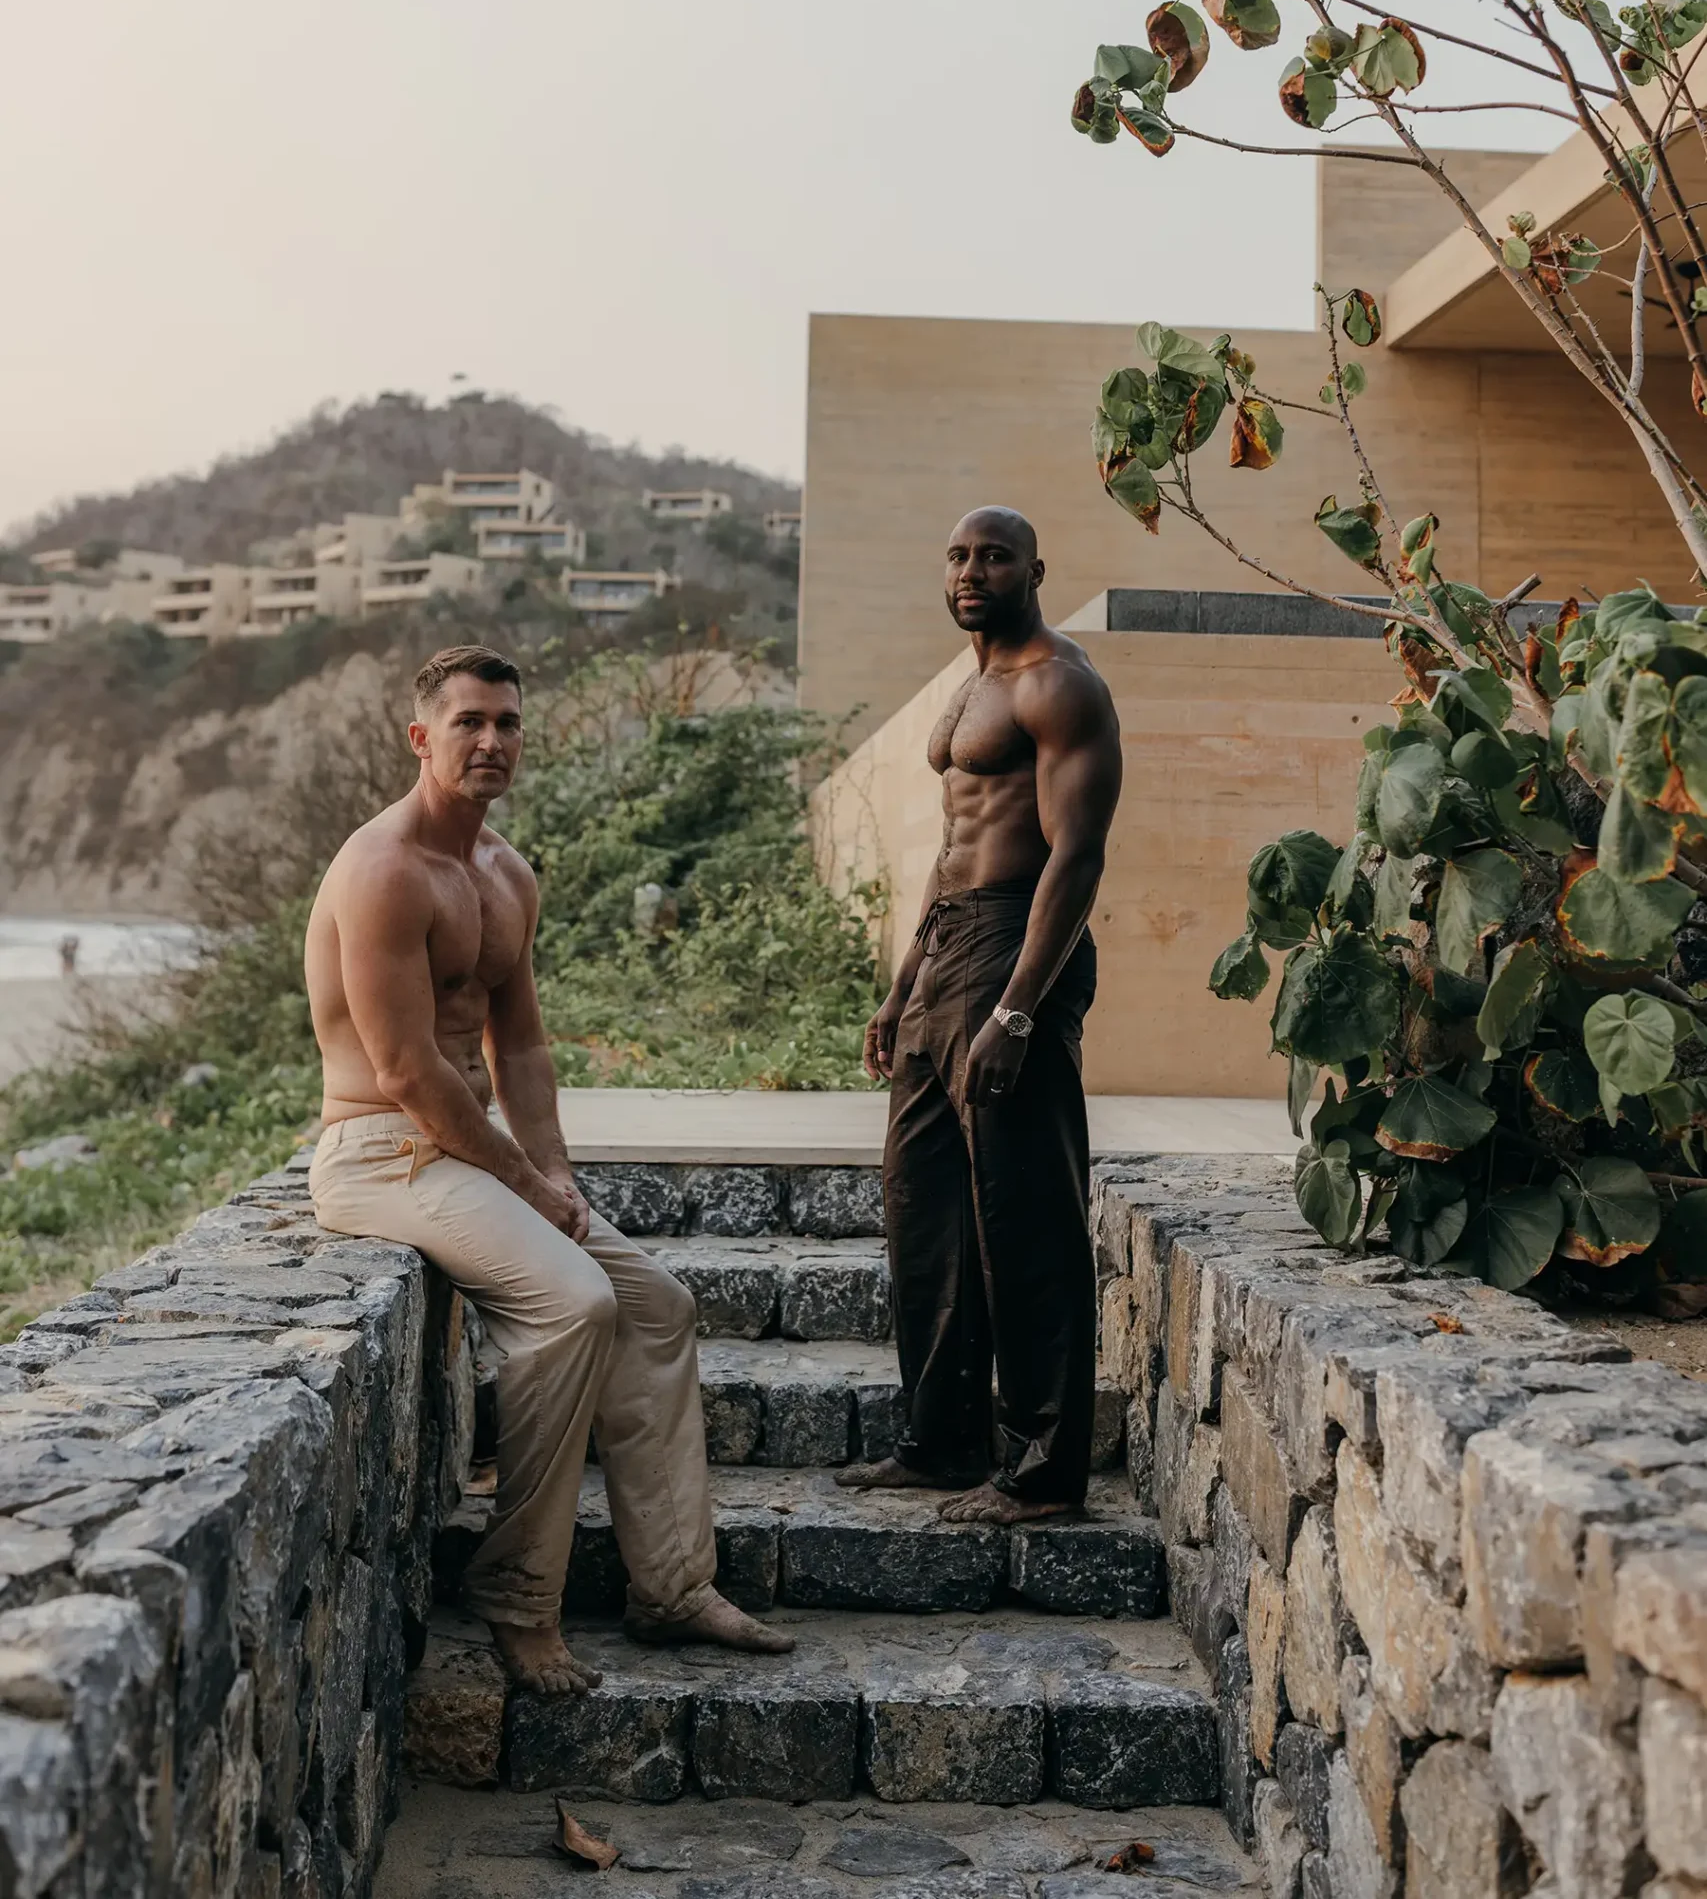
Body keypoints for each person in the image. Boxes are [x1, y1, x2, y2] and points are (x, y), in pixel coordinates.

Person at [304, 644, 793, 1693]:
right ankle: (519, 1596)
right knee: (574, 1305)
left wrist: (555, 1176)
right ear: (420, 735)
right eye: (469, 721)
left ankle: (671, 1586)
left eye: (509, 722)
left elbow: (516, 1049)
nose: (491, 740)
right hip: (378, 1153)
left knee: (655, 1303)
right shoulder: (382, 869)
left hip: (467, 1157)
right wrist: (526, 1187)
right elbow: (406, 1069)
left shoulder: (505, 873)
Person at [838, 509, 1122, 1526]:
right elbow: (954, 851)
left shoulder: (1059, 684)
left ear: (1034, 570)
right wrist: (904, 979)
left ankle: (1043, 1472)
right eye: (958, 554)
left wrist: (1017, 1010)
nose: (971, 570)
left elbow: (1075, 859)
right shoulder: (972, 687)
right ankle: (941, 1438)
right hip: (950, 948)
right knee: (926, 1209)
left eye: (993, 555)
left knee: (1026, 1214)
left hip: (1016, 948)